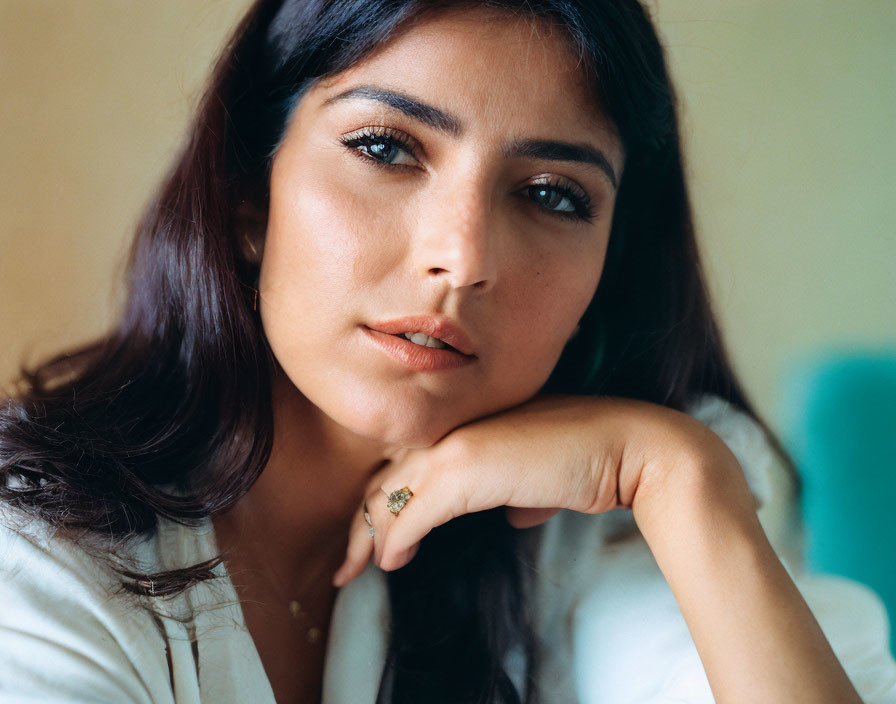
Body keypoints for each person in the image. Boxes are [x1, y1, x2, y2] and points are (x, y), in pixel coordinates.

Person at [1, 1, 894, 702]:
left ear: (605, 275)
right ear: (246, 200)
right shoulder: (32, 555)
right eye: (385, 147)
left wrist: (676, 477)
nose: (463, 261)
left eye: (551, 195)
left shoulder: (607, 519)